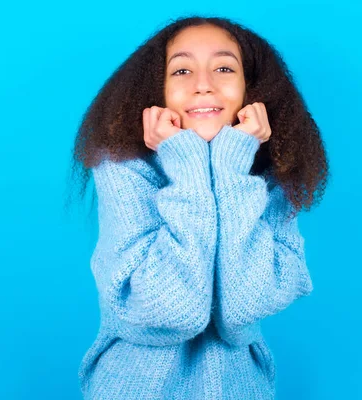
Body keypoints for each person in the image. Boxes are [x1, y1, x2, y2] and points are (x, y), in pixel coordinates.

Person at [69, 15, 330, 399]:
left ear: (251, 88)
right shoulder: (122, 167)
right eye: (182, 70)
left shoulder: (271, 174)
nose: (203, 85)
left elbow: (242, 308)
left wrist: (230, 166)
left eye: (224, 68)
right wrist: (186, 163)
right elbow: (172, 310)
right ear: (156, 89)